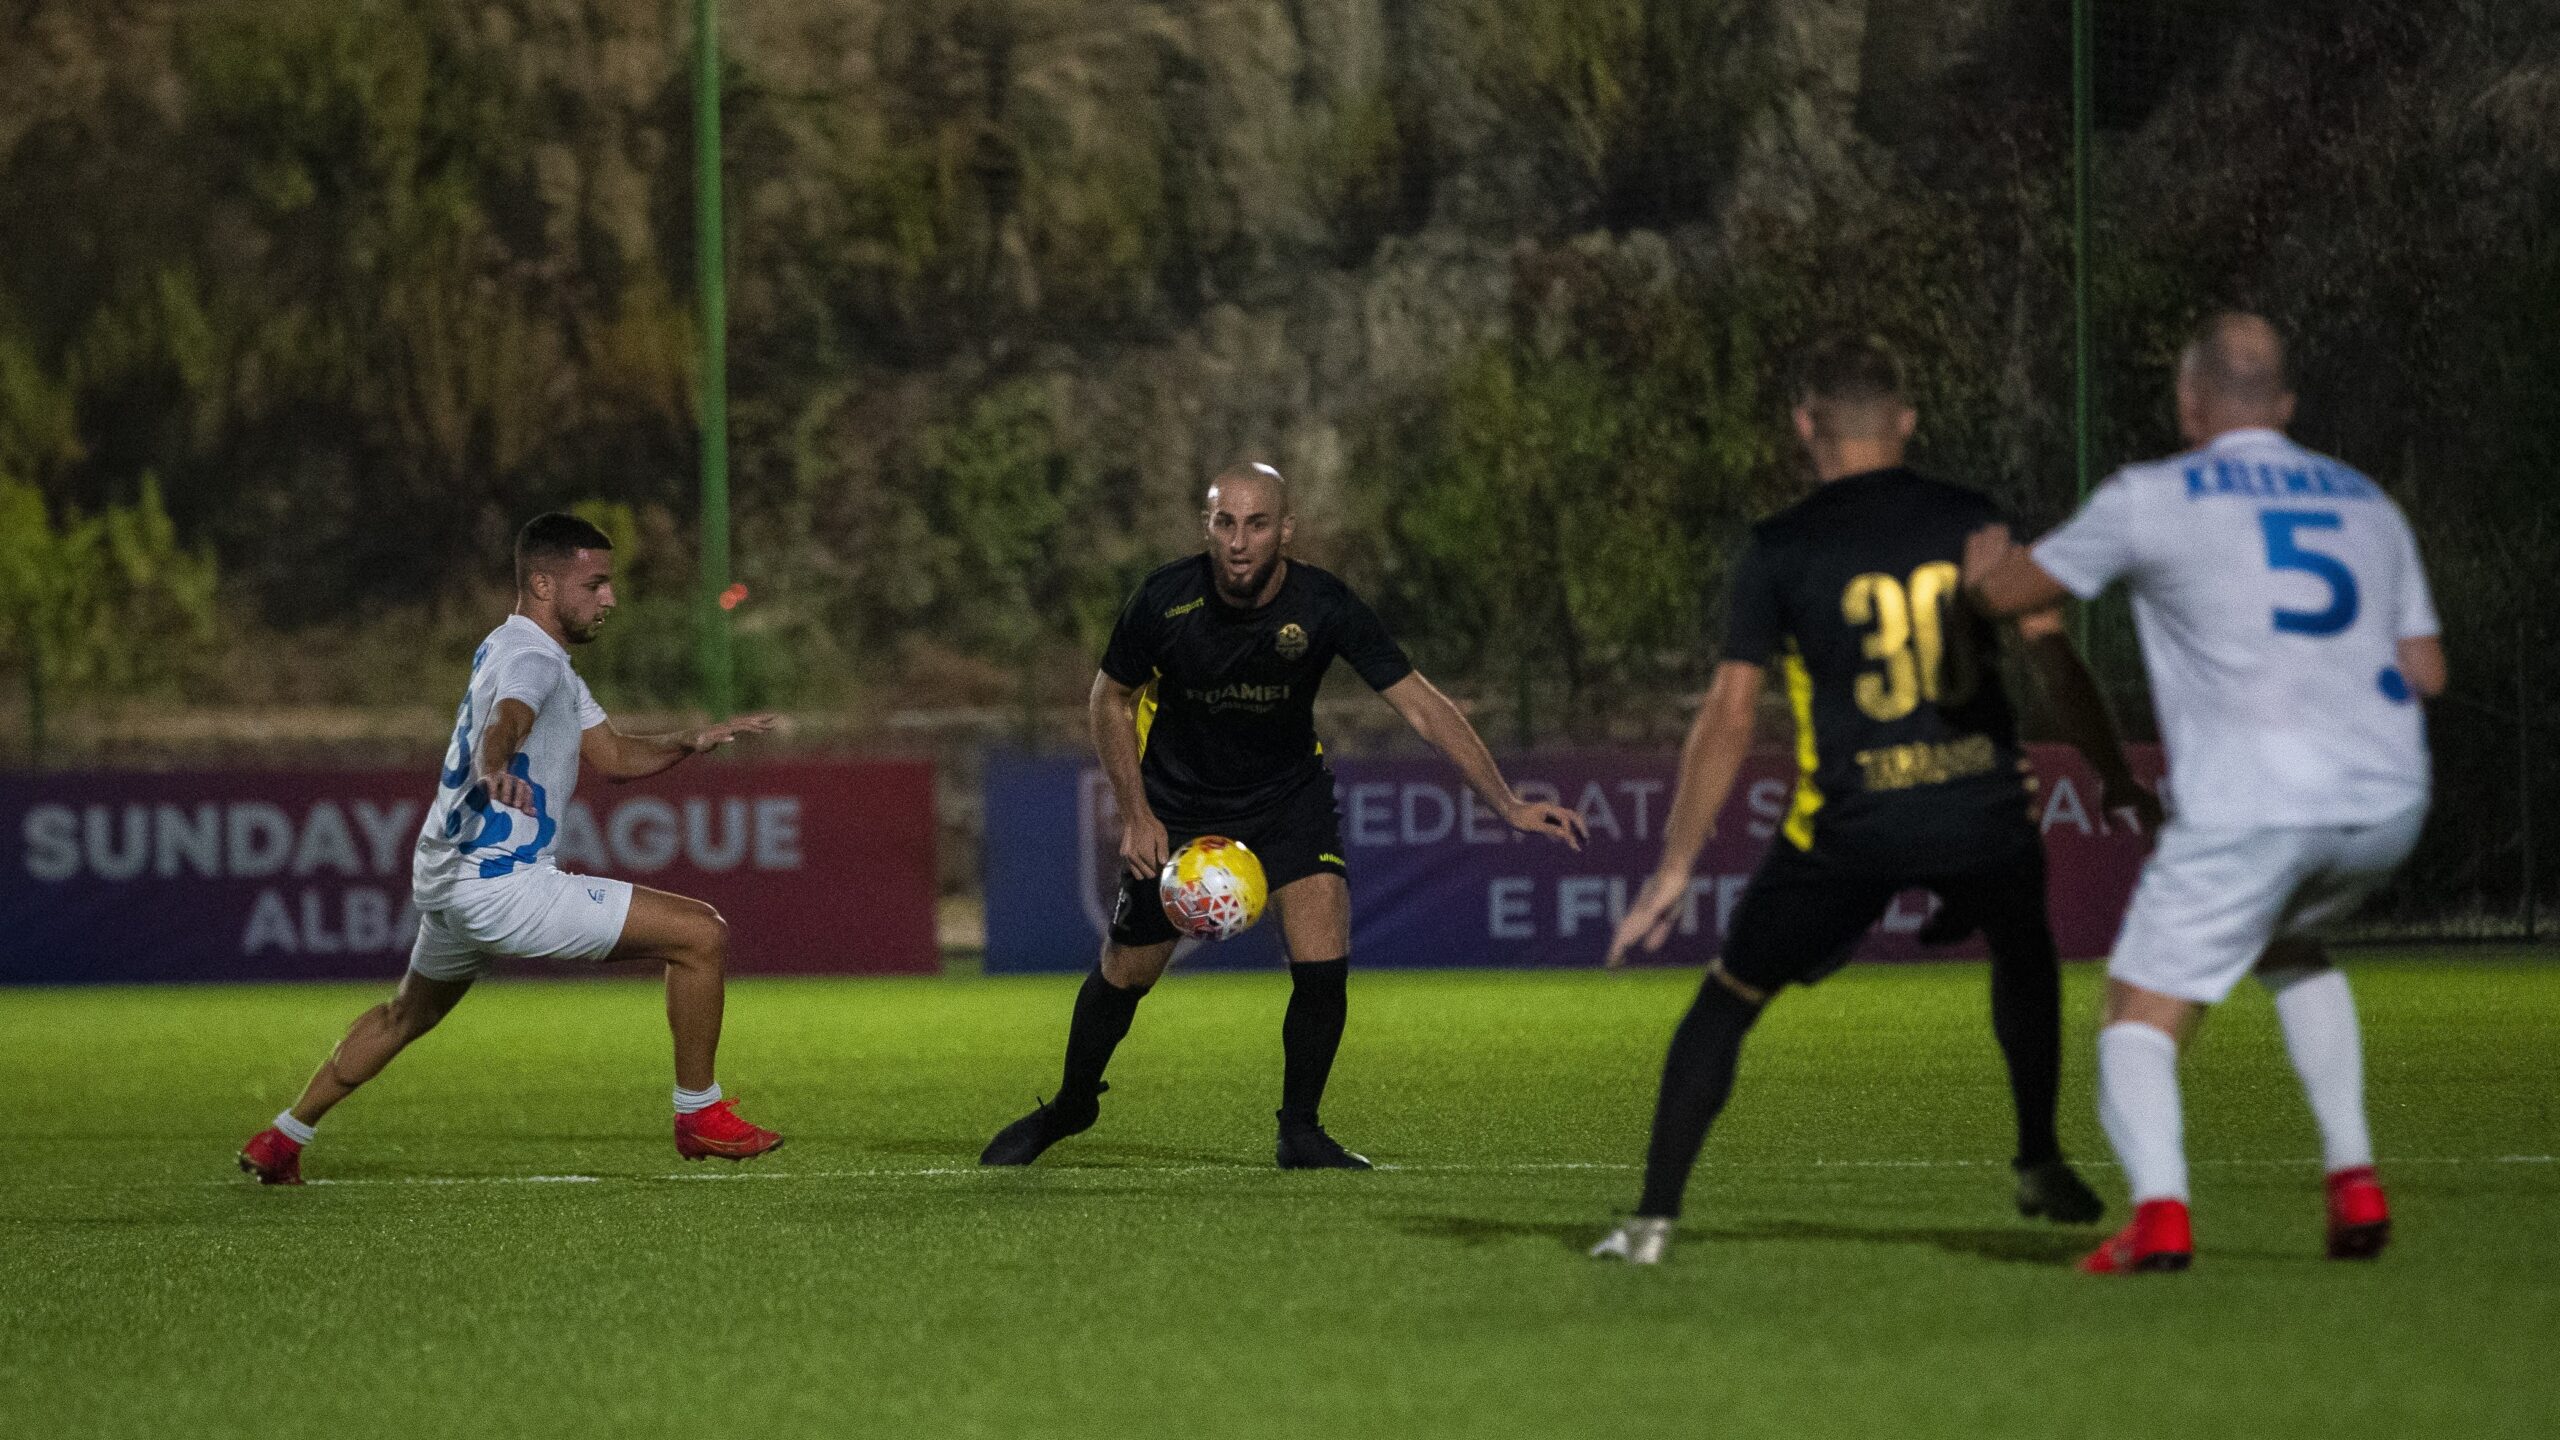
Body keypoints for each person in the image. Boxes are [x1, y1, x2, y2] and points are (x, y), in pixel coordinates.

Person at [1590, 336, 2144, 1265]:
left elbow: (1729, 713)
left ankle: (1650, 1222)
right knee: (2023, 947)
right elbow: (2052, 656)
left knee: (1728, 998)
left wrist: (1675, 868)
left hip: (1851, 828)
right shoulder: (1974, 520)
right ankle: (2039, 1156)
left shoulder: (1781, 548)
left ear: (1806, 425)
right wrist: (2111, 769)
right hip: (1980, 808)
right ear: (1908, 422)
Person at [1963, 312, 2443, 1273]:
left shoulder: (2153, 497)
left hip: (2256, 804)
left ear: (2189, 405)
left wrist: (1984, 577)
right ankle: (2354, 1179)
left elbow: (2015, 594)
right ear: (2289, 406)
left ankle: (2159, 1213)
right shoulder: (2366, 501)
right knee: (2291, 943)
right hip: (2387, 801)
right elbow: (2426, 670)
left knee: (2137, 1014)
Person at [980, 463, 1588, 1169]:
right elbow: (1107, 699)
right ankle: (1072, 1104)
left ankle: (1300, 1130)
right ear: (1206, 527)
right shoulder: (1165, 600)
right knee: (1126, 973)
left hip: (1286, 798)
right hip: (1176, 804)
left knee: (1324, 961)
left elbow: (1420, 703)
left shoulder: (1324, 605)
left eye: (1257, 524)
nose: (1239, 541)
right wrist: (1137, 814)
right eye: (1224, 523)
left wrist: (1506, 802)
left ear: (1286, 530)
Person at [237, 514, 787, 1184]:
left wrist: (685, 743)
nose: (610, 598)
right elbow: (507, 719)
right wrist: (495, 765)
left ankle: (283, 1138)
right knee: (701, 934)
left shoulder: (521, 650)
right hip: (503, 883)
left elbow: (611, 755)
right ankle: (698, 1115)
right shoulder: (531, 662)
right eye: (597, 583)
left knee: (404, 1014)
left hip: (449, 878)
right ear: (544, 584)